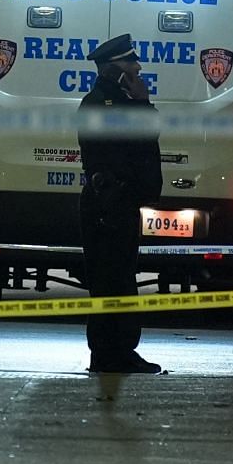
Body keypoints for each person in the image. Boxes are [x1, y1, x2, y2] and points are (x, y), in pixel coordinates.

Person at [77, 34, 165, 375]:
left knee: (121, 278)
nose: (139, 67)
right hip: (107, 205)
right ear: (116, 69)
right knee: (110, 280)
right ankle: (108, 353)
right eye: (132, 63)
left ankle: (117, 351)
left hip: (119, 203)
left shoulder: (117, 102)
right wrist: (142, 103)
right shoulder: (102, 104)